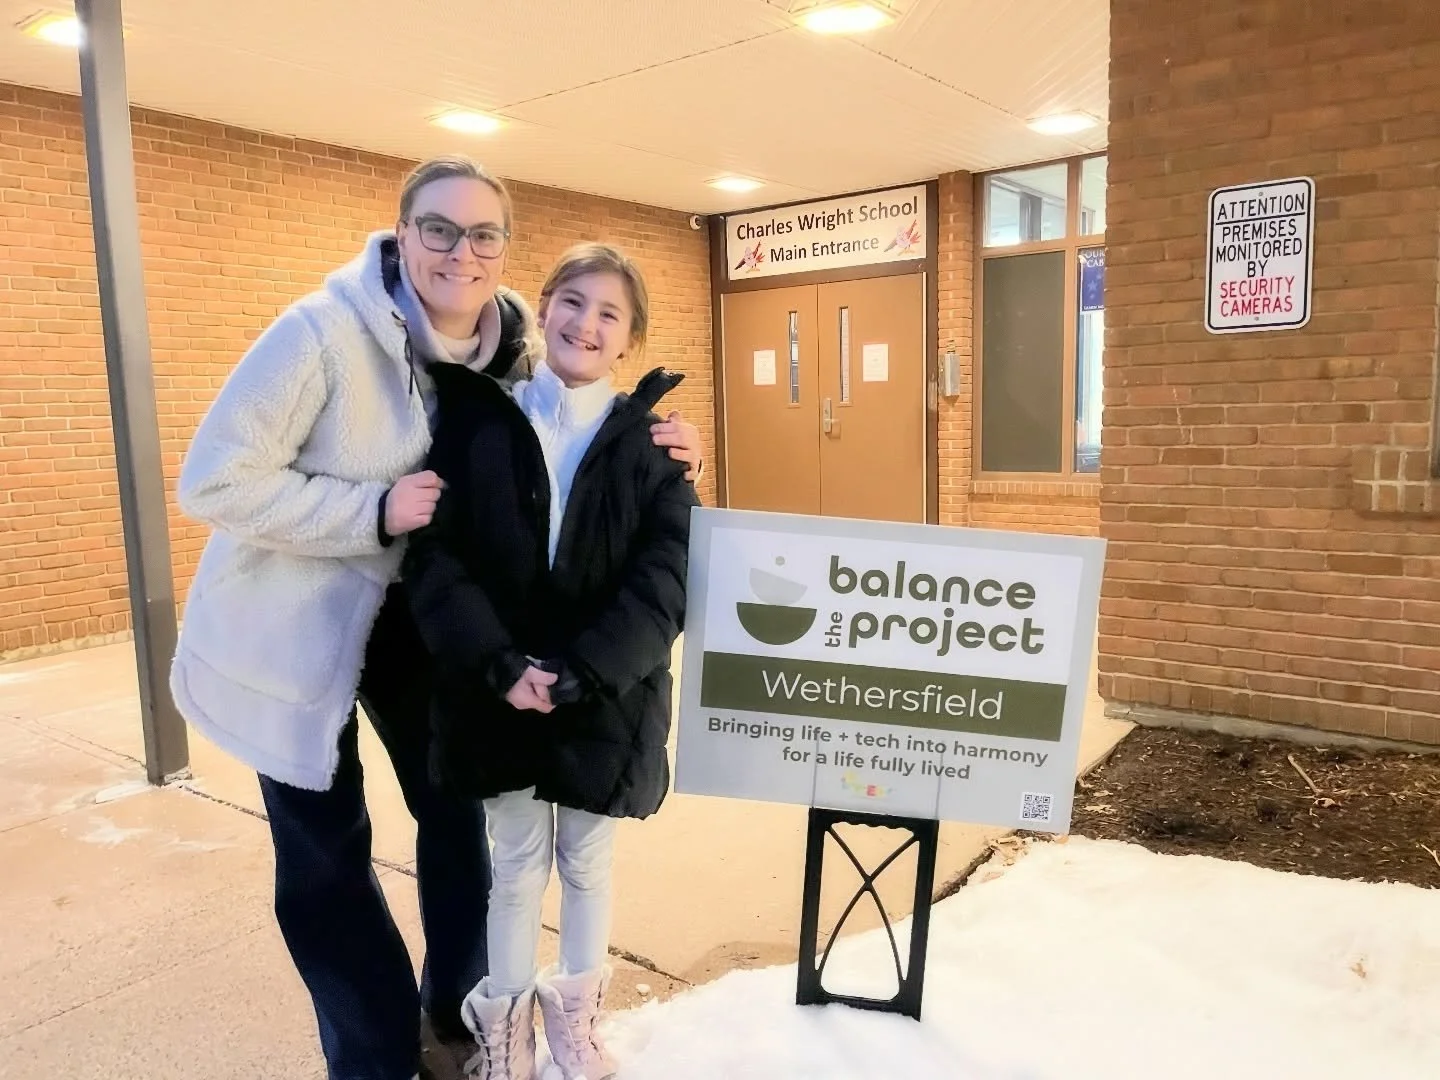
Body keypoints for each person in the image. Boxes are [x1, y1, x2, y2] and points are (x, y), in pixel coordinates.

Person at [169, 159, 703, 1080]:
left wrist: (665, 441)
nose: (462, 251)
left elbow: (572, 440)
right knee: (324, 858)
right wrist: (371, 512)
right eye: (440, 230)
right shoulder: (319, 335)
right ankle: (373, 1055)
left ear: (505, 248)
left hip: (428, 627)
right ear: (403, 231)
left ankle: (460, 1020)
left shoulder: (516, 346)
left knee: (458, 821)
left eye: (483, 233)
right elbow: (212, 480)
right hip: (297, 626)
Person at [402, 242, 694, 1080]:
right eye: (572, 301)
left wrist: (583, 673)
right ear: (544, 307)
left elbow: (664, 580)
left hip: (606, 695)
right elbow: (438, 561)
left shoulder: (654, 449)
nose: (586, 324)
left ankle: (575, 1021)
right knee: (517, 861)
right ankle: (507, 1036)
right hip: (500, 691)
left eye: (610, 313)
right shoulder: (477, 420)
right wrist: (501, 666)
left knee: (588, 858)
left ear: (630, 339)